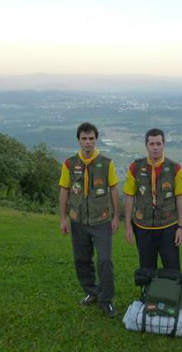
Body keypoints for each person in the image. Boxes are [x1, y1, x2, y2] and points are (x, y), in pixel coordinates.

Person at [59, 122, 120, 318]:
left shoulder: (106, 162)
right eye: (84, 139)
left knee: (104, 261)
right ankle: (91, 292)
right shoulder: (69, 163)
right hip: (78, 220)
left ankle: (106, 300)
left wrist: (116, 217)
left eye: (91, 138)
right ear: (78, 140)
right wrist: (63, 218)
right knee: (81, 260)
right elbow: (64, 190)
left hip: (101, 220)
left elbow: (113, 190)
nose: (88, 142)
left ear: (96, 140)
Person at [123, 128, 182, 270]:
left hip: (168, 227)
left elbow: (180, 198)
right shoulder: (135, 167)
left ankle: (174, 292)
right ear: (146, 145)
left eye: (159, 143)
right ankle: (147, 292)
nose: (155, 148)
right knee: (146, 267)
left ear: (164, 144)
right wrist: (128, 225)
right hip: (142, 227)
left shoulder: (174, 168)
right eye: (152, 144)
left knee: (172, 267)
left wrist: (181, 227)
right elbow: (129, 197)